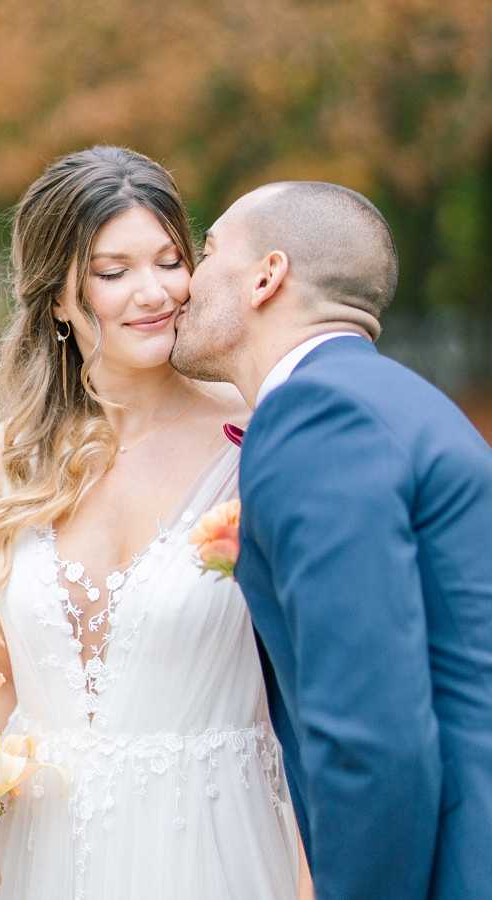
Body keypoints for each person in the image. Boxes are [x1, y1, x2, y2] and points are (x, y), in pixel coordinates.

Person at [0, 147, 309, 899]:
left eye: (168, 260)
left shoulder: (258, 444)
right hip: (40, 857)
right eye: (112, 271)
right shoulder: (13, 459)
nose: (152, 292)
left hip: (212, 852)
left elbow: (317, 683)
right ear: (56, 297)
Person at [170, 180, 492, 899]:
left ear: (267, 276)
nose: (186, 280)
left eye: (209, 249)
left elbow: (373, 735)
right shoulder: (391, 400)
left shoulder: (315, 418)